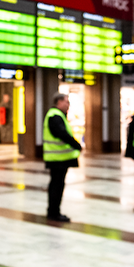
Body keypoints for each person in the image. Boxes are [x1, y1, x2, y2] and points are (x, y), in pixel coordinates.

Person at [43, 93, 82, 222]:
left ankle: (54, 211)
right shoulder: (55, 116)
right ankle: (54, 212)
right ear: (59, 102)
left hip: (59, 158)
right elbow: (62, 134)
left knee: (57, 185)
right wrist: (76, 145)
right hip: (57, 159)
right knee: (57, 186)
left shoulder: (57, 115)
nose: (68, 105)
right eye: (66, 102)